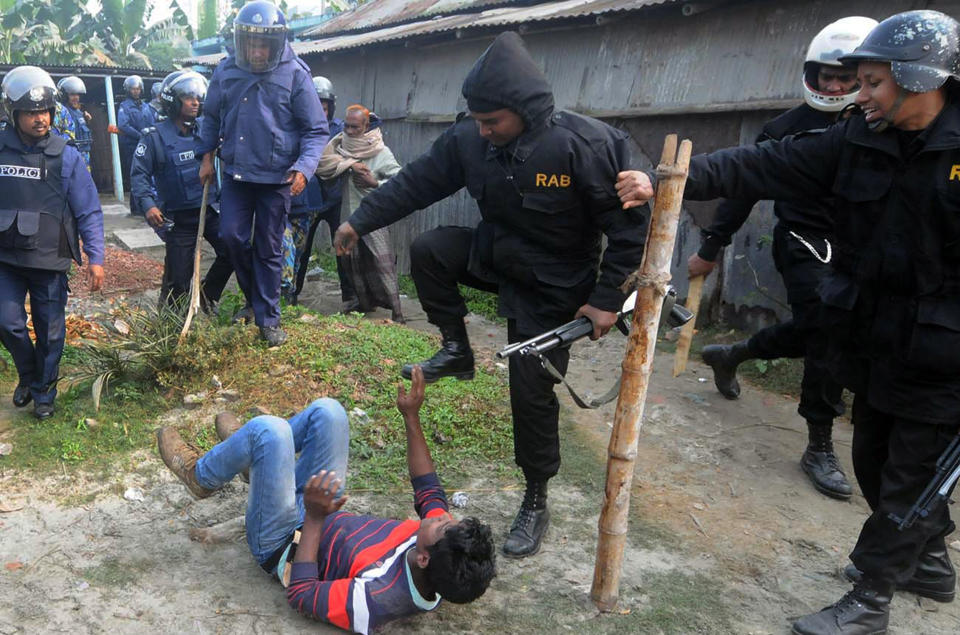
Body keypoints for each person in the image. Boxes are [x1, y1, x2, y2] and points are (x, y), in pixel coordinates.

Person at [616, 11, 960, 634]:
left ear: (920, 80)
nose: (862, 94)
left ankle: (871, 601)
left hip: (946, 351)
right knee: (876, 460)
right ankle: (930, 564)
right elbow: (768, 164)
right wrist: (679, 174)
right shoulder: (861, 138)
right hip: (879, 336)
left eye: (875, 82)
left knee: (911, 473)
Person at [333, 32, 647, 559]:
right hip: (497, 257)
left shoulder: (586, 146)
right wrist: (358, 221)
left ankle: (536, 496)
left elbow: (631, 230)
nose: (482, 130)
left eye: (492, 121)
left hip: (553, 287)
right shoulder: (470, 140)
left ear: (525, 111)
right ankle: (456, 349)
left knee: (528, 391)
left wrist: (603, 300)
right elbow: (417, 185)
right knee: (432, 249)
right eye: (477, 120)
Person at [156, 365, 496, 634]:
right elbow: (428, 488)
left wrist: (316, 517)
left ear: (423, 559)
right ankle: (254, 455)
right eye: (448, 519)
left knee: (268, 431)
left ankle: (200, 476)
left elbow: (301, 594)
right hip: (319, 506)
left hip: (281, 541)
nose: (441, 516)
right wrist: (411, 416)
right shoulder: (442, 550)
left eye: (440, 524)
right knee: (329, 412)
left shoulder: (376, 599)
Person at [689, 17, 877, 501]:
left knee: (834, 328)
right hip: (805, 241)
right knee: (829, 326)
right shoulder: (785, 128)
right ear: (810, 75)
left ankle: (734, 354)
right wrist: (711, 247)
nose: (834, 85)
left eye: (845, 77)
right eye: (825, 76)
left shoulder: (884, 127)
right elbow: (742, 187)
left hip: (863, 245)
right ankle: (818, 444)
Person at [197, 0, 328, 347]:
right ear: (241, 41)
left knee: (269, 248)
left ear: (276, 43)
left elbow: (316, 129)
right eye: (250, 44)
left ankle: (268, 319)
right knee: (231, 238)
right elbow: (210, 117)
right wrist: (206, 156)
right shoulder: (226, 71)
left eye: (263, 45)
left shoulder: (296, 74)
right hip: (237, 174)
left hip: (278, 178)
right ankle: (255, 299)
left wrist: (304, 168)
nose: (256, 52)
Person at [0, 66, 105, 419]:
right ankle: (29, 376)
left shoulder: (67, 156)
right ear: (13, 113)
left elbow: (88, 210)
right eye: (30, 112)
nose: (39, 119)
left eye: (44, 111)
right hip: (6, 258)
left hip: (49, 258)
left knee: (51, 331)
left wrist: (96, 257)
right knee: (6, 322)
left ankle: (44, 391)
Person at [130, 71, 233, 311]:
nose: (196, 102)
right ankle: (171, 326)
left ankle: (207, 296)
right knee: (178, 280)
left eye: (198, 97)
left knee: (233, 251)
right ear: (174, 101)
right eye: (189, 98)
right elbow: (139, 175)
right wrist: (148, 205)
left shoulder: (206, 133)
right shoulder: (154, 138)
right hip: (179, 220)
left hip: (209, 212)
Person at [318, 105, 404, 321]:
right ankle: (362, 304)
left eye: (355, 127)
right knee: (352, 264)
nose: (349, 131)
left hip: (374, 215)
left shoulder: (380, 150)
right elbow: (324, 165)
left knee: (382, 263)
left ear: (366, 126)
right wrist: (350, 165)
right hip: (349, 215)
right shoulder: (339, 146)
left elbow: (400, 180)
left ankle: (398, 312)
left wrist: (374, 182)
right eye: (346, 125)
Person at [279, 76, 348, 306]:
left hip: (335, 198)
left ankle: (350, 296)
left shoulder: (339, 129)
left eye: (325, 108)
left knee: (342, 248)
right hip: (307, 200)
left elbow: (365, 131)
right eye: (316, 106)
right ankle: (292, 295)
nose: (321, 112)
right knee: (300, 250)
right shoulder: (300, 131)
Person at [112, 75, 156, 216]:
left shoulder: (146, 106)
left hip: (147, 146)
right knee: (136, 175)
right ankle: (136, 207)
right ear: (128, 90)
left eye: (138, 89)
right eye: (133, 89)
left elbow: (152, 123)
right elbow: (123, 125)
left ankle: (146, 205)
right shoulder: (124, 106)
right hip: (132, 146)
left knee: (148, 175)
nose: (136, 91)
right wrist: (140, 135)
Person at [56, 76, 93, 170]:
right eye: (72, 94)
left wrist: (88, 121)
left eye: (77, 94)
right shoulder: (61, 113)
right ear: (65, 96)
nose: (76, 97)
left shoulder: (80, 113)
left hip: (84, 155)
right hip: (70, 156)